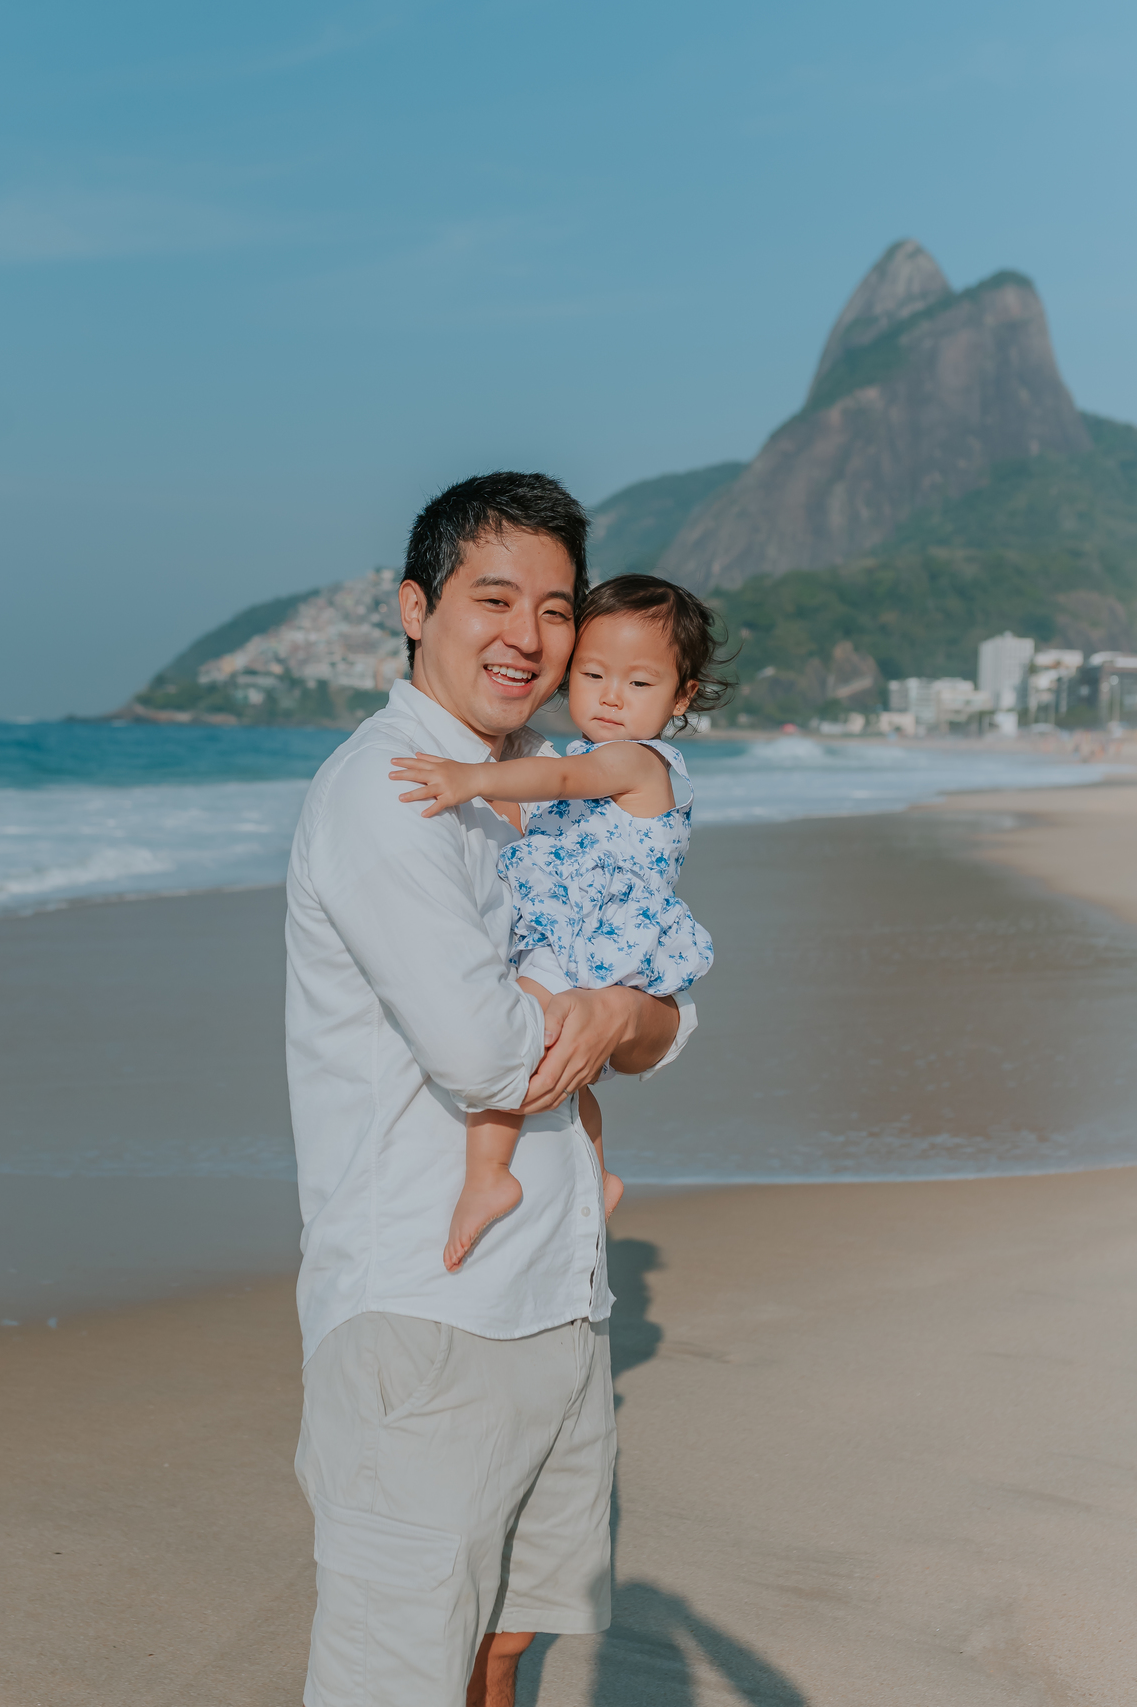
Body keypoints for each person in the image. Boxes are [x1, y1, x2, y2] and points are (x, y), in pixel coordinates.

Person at [285, 473, 698, 1707]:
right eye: (493, 596)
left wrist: (618, 1009)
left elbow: (654, 1008)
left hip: (557, 1295)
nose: (528, 635)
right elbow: (482, 1053)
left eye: (558, 609)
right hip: (431, 1308)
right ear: (416, 608)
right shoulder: (392, 792)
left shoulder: (549, 788)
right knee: (399, 1674)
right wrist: (608, 1013)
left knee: (503, 1647)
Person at [390, 573, 727, 1272]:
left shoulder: (634, 760)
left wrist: (472, 778)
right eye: (594, 673)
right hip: (584, 936)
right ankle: (595, 1173)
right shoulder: (580, 757)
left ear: (681, 697)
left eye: (639, 685)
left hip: (586, 942)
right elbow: (550, 811)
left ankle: (488, 1174)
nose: (610, 696)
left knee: (516, 1035)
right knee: (568, 1076)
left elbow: (566, 786)